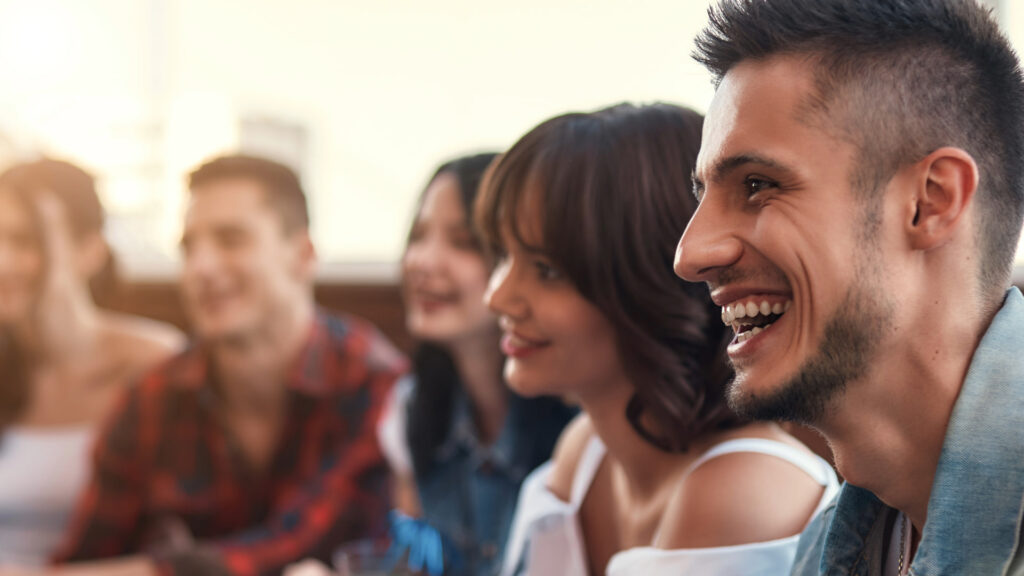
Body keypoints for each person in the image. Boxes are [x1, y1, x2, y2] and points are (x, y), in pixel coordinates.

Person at [674, 0, 1024, 574]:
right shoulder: (825, 550)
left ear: (929, 201)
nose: (692, 255)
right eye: (702, 195)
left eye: (758, 185)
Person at [483, 103, 838, 576]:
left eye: (547, 271)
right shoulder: (587, 451)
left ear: (646, 285)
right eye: (504, 257)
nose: (498, 298)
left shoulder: (739, 489)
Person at [10, 154, 407, 576]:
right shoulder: (152, 397)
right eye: (188, 248)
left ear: (303, 255)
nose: (201, 267)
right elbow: (83, 561)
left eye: (230, 240)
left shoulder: (373, 381)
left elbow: (293, 545)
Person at [377, 153, 574, 575]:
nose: (422, 262)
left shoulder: (579, 423)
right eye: (419, 235)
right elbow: (413, 565)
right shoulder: (412, 408)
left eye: (463, 242)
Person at [0, 159, 183, 567]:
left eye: (24, 241)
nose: (2, 261)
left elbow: (179, 546)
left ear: (90, 251)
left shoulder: (157, 365)